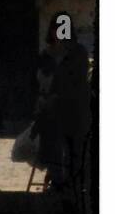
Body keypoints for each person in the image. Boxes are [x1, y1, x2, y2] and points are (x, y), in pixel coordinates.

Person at [33, 12, 91, 192]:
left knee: (73, 151)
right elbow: (38, 80)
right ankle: (57, 181)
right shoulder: (46, 55)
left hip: (73, 111)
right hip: (51, 114)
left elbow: (77, 82)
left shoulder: (78, 52)